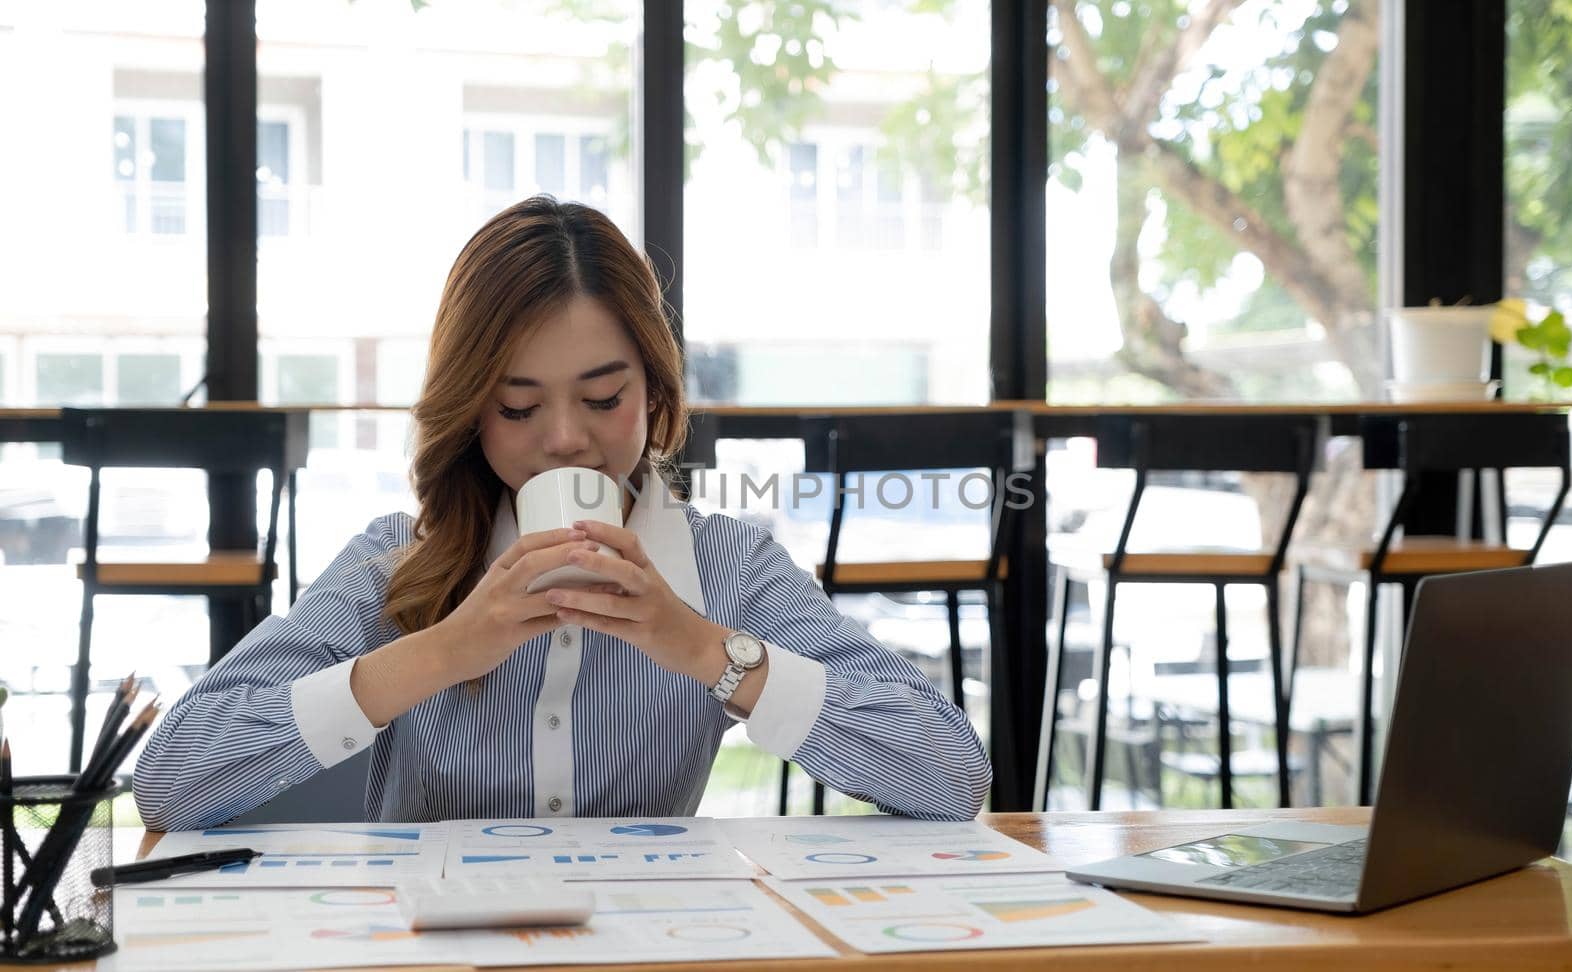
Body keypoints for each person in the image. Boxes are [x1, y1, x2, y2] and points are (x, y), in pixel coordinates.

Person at [134, 196, 990, 830]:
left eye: (604, 397)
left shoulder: (728, 569)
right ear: (470, 411)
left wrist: (697, 647)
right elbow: (169, 781)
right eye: (517, 407)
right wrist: (442, 651)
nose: (566, 440)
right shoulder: (397, 563)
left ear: (653, 391)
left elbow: (953, 775)